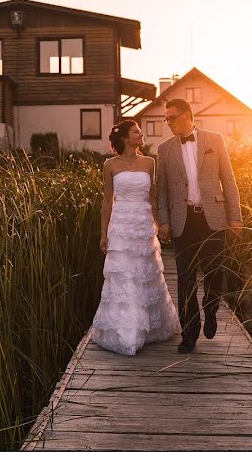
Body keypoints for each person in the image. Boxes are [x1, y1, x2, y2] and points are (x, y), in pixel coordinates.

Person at [156, 98, 242, 354]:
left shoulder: (214, 141)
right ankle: (189, 334)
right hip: (183, 222)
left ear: (186, 116)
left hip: (213, 219)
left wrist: (235, 215)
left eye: (171, 117)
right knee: (185, 279)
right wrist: (163, 221)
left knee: (215, 272)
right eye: (166, 119)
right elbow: (161, 190)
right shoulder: (164, 149)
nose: (168, 122)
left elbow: (228, 179)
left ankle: (211, 307)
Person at [89, 120, 180, 356]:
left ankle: (148, 328)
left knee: (144, 272)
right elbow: (107, 201)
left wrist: (159, 224)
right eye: (136, 132)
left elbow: (152, 196)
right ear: (125, 138)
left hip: (142, 224)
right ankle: (126, 331)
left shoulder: (149, 162)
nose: (141, 135)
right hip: (120, 225)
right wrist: (103, 233)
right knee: (124, 275)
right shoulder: (109, 165)